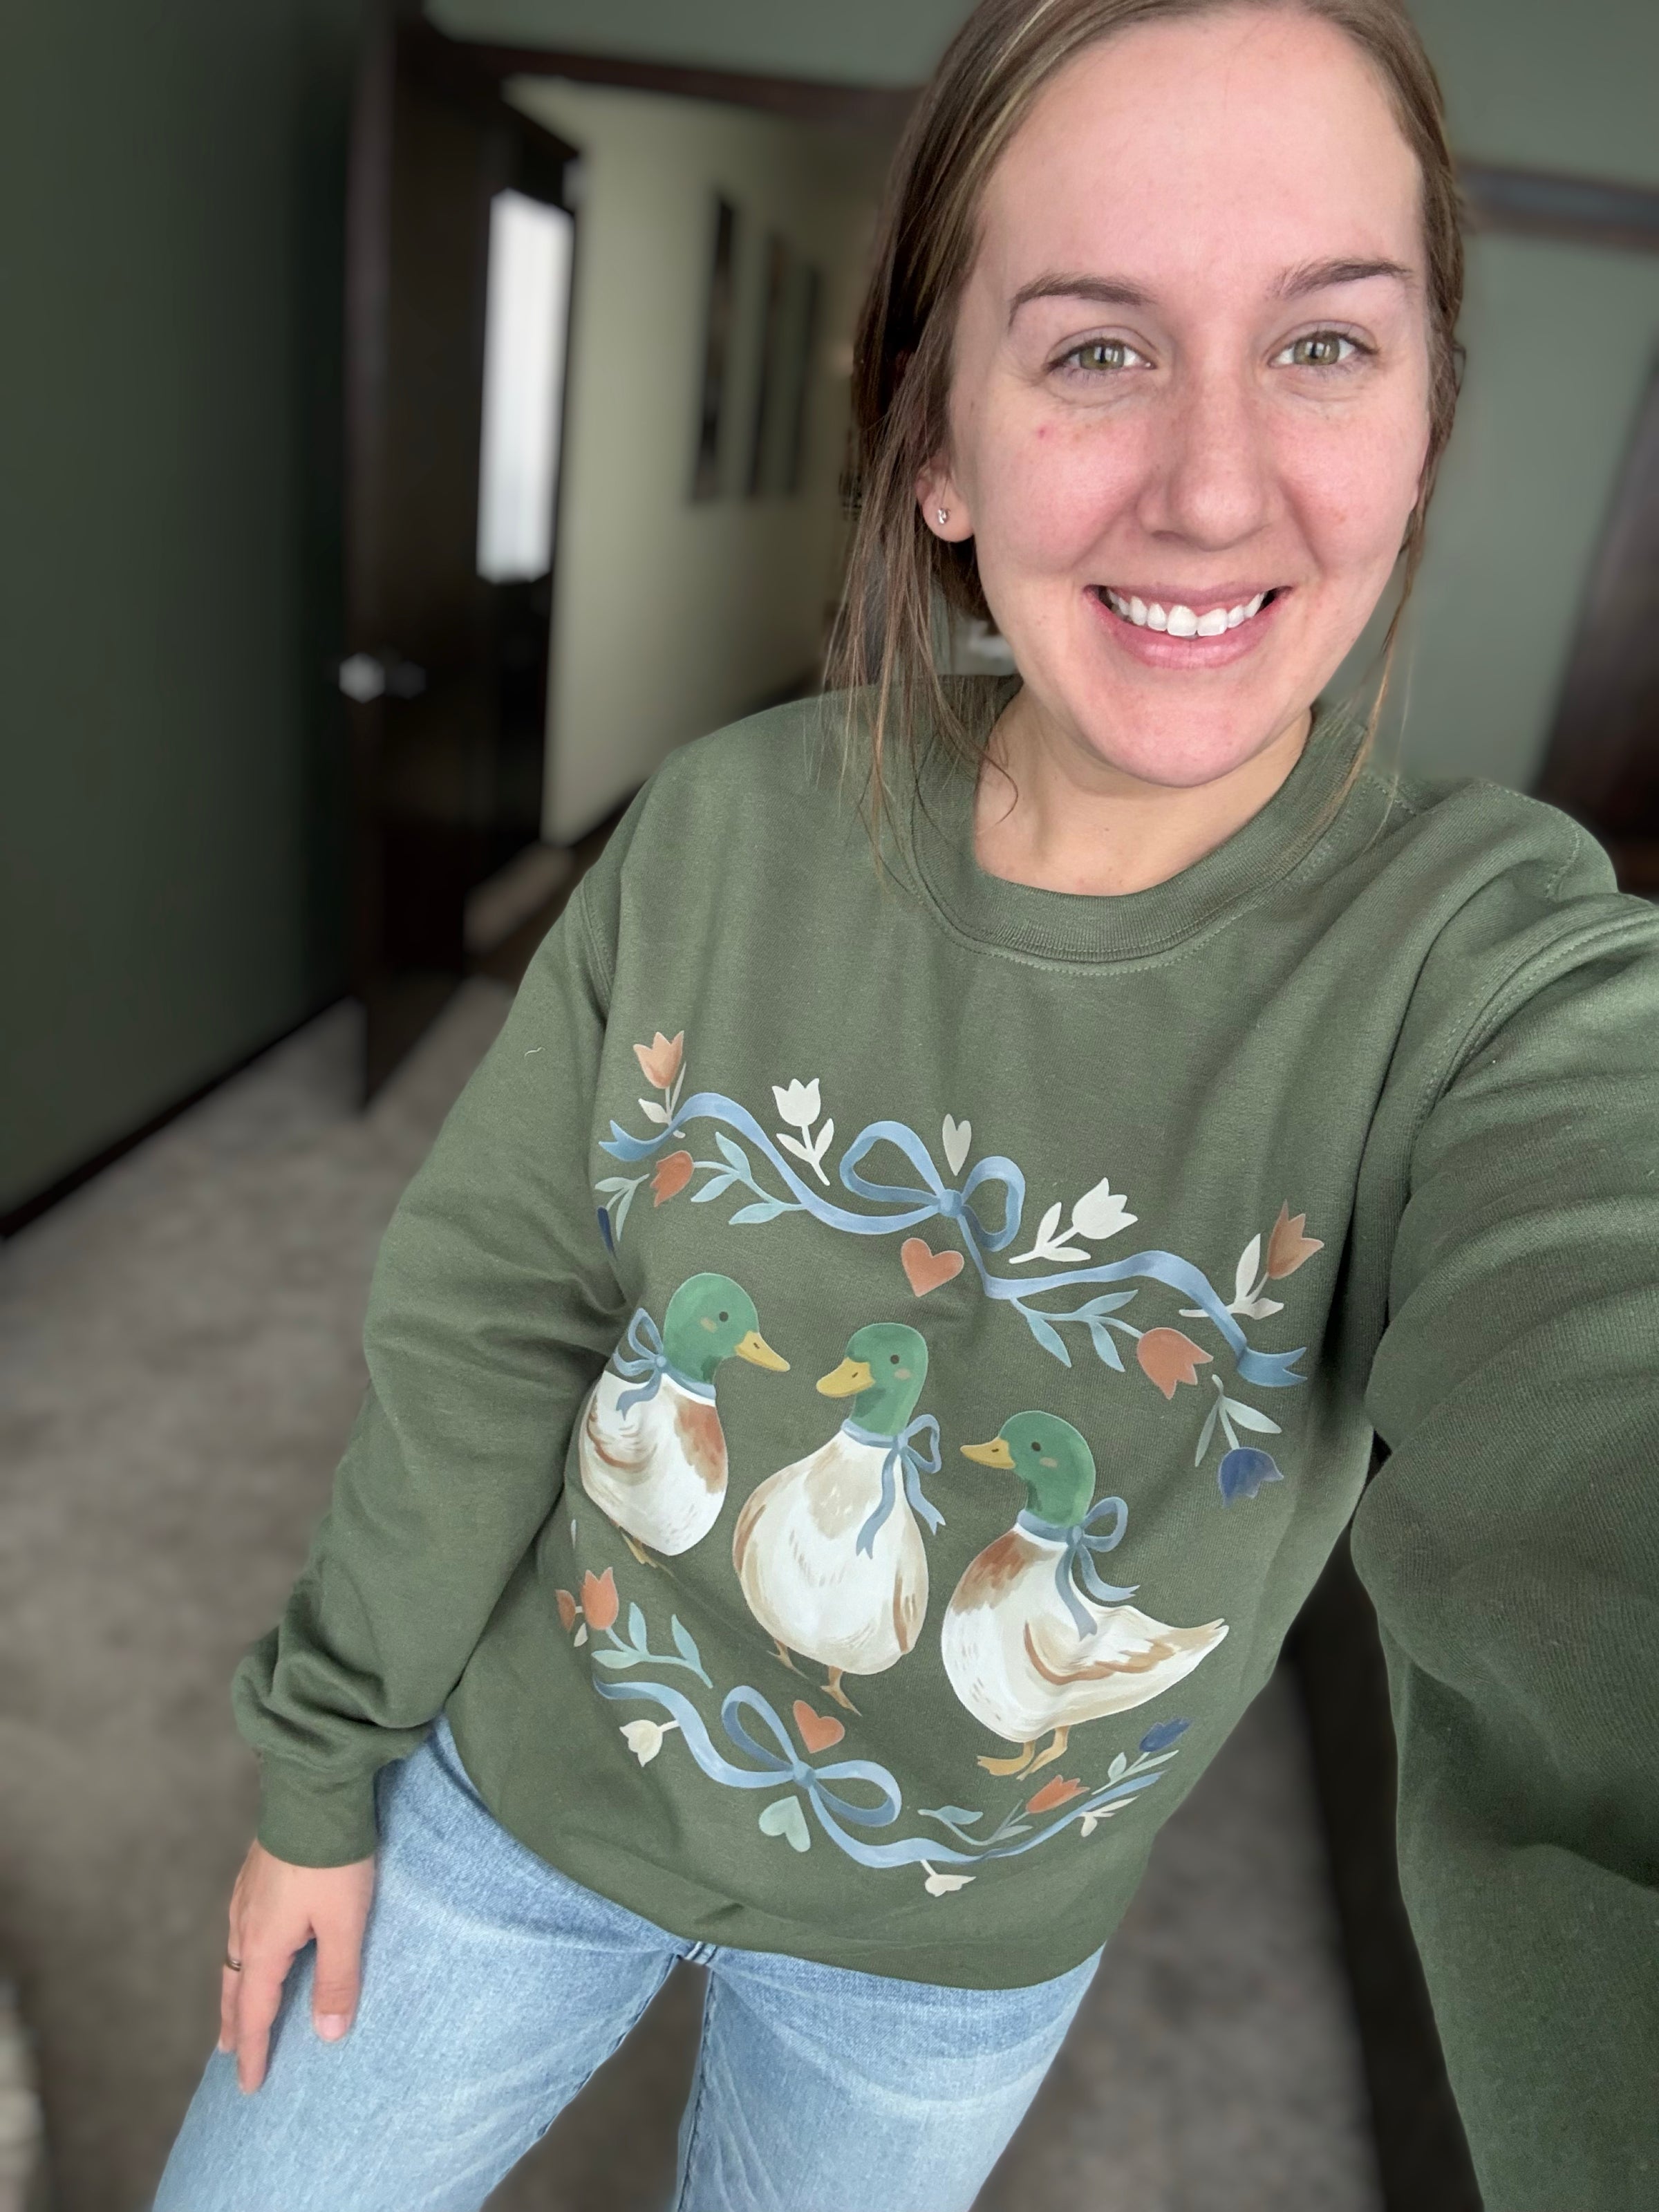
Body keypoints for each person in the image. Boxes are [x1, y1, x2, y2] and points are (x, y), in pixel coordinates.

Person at [158, 1, 1659, 2206]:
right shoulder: (720, 830)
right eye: (1096, 349)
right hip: (520, 1802)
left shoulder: (1492, 970)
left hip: (944, 1976)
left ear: (1426, 420)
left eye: (1325, 346)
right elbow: (490, 1321)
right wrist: (318, 1770)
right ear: (938, 446)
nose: (1214, 486)